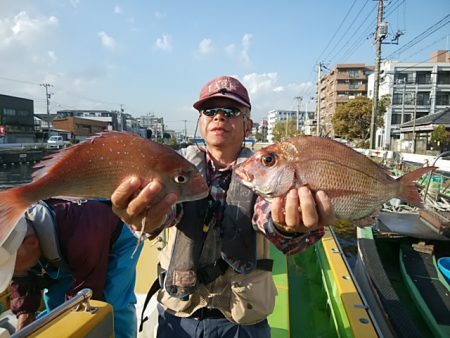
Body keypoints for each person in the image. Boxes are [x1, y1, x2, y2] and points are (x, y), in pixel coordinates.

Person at [111, 75, 336, 338]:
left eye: (231, 111)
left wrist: (289, 227)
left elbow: (269, 218)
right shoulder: (173, 167)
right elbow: (168, 212)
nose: (219, 117)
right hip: (178, 315)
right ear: (201, 121)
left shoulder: (268, 170)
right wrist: (145, 216)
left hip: (242, 320)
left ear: (248, 126)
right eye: (210, 111)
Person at [0, 198, 142, 338]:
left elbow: (88, 296)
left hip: (117, 231)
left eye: (12, 267)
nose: (13, 273)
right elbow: (24, 279)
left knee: (113, 303)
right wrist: (25, 316)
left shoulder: (81, 239)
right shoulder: (23, 238)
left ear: (31, 243)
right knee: (55, 305)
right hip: (68, 246)